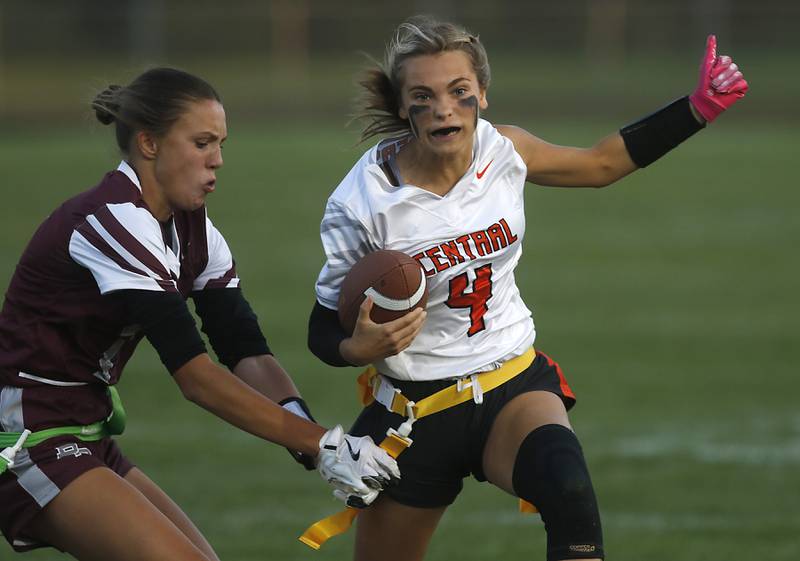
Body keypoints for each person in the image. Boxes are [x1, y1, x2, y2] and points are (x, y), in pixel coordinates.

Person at [307, 16, 747, 561]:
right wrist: (357, 349)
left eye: (459, 92)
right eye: (423, 96)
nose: (444, 107)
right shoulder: (362, 200)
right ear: (402, 107)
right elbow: (321, 327)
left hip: (510, 381)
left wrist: (697, 108)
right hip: (413, 409)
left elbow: (602, 163)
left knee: (570, 492)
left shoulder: (505, 150)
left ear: (483, 95)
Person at [0, 67, 399, 561]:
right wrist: (324, 445)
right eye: (203, 143)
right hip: (28, 434)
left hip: (86, 428)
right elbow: (195, 375)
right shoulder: (114, 220)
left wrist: (308, 438)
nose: (219, 160)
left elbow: (242, 347)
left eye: (221, 143)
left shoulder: (192, 227)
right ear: (149, 144)